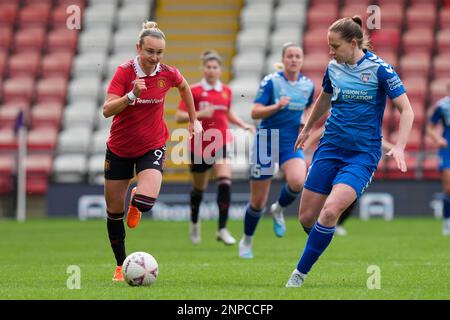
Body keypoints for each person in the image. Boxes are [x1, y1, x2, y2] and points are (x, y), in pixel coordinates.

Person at [285, 16, 414, 287]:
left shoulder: (381, 70)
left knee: (330, 211)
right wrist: (308, 128)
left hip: (361, 155)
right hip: (330, 148)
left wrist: (400, 145)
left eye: (335, 46)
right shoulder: (334, 67)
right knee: (308, 218)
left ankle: (299, 275)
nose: (331, 52)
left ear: (353, 43)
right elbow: (325, 97)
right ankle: (321, 239)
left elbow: (407, 109)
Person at [102, 21, 203, 282]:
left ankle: (137, 199)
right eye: (150, 51)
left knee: (145, 202)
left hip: (152, 145)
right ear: (139, 48)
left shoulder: (167, 73)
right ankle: (119, 265)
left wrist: (193, 120)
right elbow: (107, 110)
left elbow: (184, 87)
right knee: (114, 212)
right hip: (120, 148)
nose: (154, 57)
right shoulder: (124, 72)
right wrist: (131, 95)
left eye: (159, 52)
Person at [238, 42, 315, 259]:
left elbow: (310, 107)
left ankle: (279, 209)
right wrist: (276, 106)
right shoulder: (271, 83)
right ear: (283, 60)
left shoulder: (308, 85)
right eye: (289, 56)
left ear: (301, 60)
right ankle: (247, 240)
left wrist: (305, 124)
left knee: (298, 181)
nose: (293, 59)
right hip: (266, 140)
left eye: (297, 56)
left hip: (290, 141)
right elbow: (254, 112)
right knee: (257, 201)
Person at [175, 50, 255, 245]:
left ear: (220, 70)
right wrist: (202, 113)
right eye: (208, 67)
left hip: (221, 141)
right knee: (199, 189)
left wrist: (242, 124)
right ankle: (194, 223)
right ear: (203, 69)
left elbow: (227, 112)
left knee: (225, 181)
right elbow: (178, 116)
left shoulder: (226, 91)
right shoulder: (193, 90)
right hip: (199, 144)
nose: (211, 70)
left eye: (215, 67)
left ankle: (222, 229)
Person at [304, 126, 395, 237]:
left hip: (355, 163)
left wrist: (394, 148)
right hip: (332, 160)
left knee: (350, 197)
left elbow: (377, 139)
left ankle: (337, 224)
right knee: (312, 212)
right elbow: (318, 132)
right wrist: (305, 147)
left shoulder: (366, 121)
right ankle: (322, 226)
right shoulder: (339, 117)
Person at [426, 82, 450, 235]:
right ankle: (447, 222)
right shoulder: (443, 106)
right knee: (448, 188)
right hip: (447, 149)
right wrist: (437, 138)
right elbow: (429, 127)